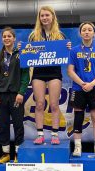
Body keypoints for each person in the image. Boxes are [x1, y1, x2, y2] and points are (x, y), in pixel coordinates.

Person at [29, 5, 70, 145]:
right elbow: (28, 55)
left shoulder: (60, 35)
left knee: (54, 104)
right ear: (39, 18)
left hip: (54, 73)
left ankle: (54, 134)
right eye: (42, 15)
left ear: (53, 17)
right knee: (39, 104)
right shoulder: (33, 36)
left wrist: (67, 48)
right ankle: (40, 134)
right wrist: (24, 50)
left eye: (47, 15)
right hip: (38, 73)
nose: (45, 18)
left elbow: (66, 56)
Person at [68, 21, 95, 158]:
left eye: (89, 30)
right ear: (80, 33)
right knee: (78, 118)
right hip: (78, 88)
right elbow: (70, 71)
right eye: (84, 30)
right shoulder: (74, 51)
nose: (86, 32)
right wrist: (82, 84)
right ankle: (77, 147)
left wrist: (91, 84)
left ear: (94, 33)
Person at [0, 27, 29, 164]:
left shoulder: (21, 54)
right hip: (1, 96)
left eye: (9, 36)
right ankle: (5, 153)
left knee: (18, 125)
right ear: (2, 39)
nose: (6, 38)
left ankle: (18, 154)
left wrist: (21, 92)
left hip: (16, 95)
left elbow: (25, 76)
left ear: (14, 38)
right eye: (4, 36)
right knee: (4, 125)